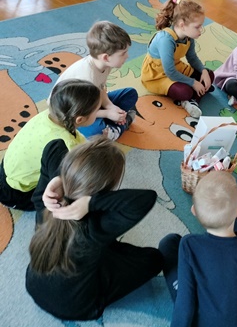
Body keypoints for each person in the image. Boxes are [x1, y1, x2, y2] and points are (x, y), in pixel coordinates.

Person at [26, 137, 163, 321]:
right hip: (79, 308)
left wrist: (57, 178)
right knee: (154, 259)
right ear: (103, 192)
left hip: (33, 286)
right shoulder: (97, 226)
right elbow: (146, 199)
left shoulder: (45, 200)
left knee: (108, 251)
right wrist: (92, 203)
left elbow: (53, 146)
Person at [159, 171, 237, 327]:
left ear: (194, 211)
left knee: (168, 243)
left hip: (198, 320)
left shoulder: (189, 245)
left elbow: (185, 304)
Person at [0, 79, 101, 211]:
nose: (98, 112)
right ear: (80, 119)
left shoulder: (46, 115)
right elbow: (73, 178)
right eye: (97, 111)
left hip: (4, 170)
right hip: (17, 194)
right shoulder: (65, 144)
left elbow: (77, 138)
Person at [53, 21, 138, 140]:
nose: (127, 56)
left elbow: (101, 87)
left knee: (130, 93)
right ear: (106, 57)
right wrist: (107, 113)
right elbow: (79, 113)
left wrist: (110, 106)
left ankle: (113, 123)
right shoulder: (87, 78)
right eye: (123, 53)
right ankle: (119, 127)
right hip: (73, 113)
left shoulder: (104, 64)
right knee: (97, 132)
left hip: (91, 104)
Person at [141, 0, 214, 119]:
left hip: (175, 67)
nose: (200, 30)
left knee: (210, 75)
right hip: (157, 75)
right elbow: (169, 72)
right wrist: (193, 82)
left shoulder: (188, 36)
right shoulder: (166, 40)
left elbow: (192, 58)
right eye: (197, 27)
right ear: (182, 25)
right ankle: (192, 98)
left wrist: (204, 71)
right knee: (185, 91)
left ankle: (192, 100)